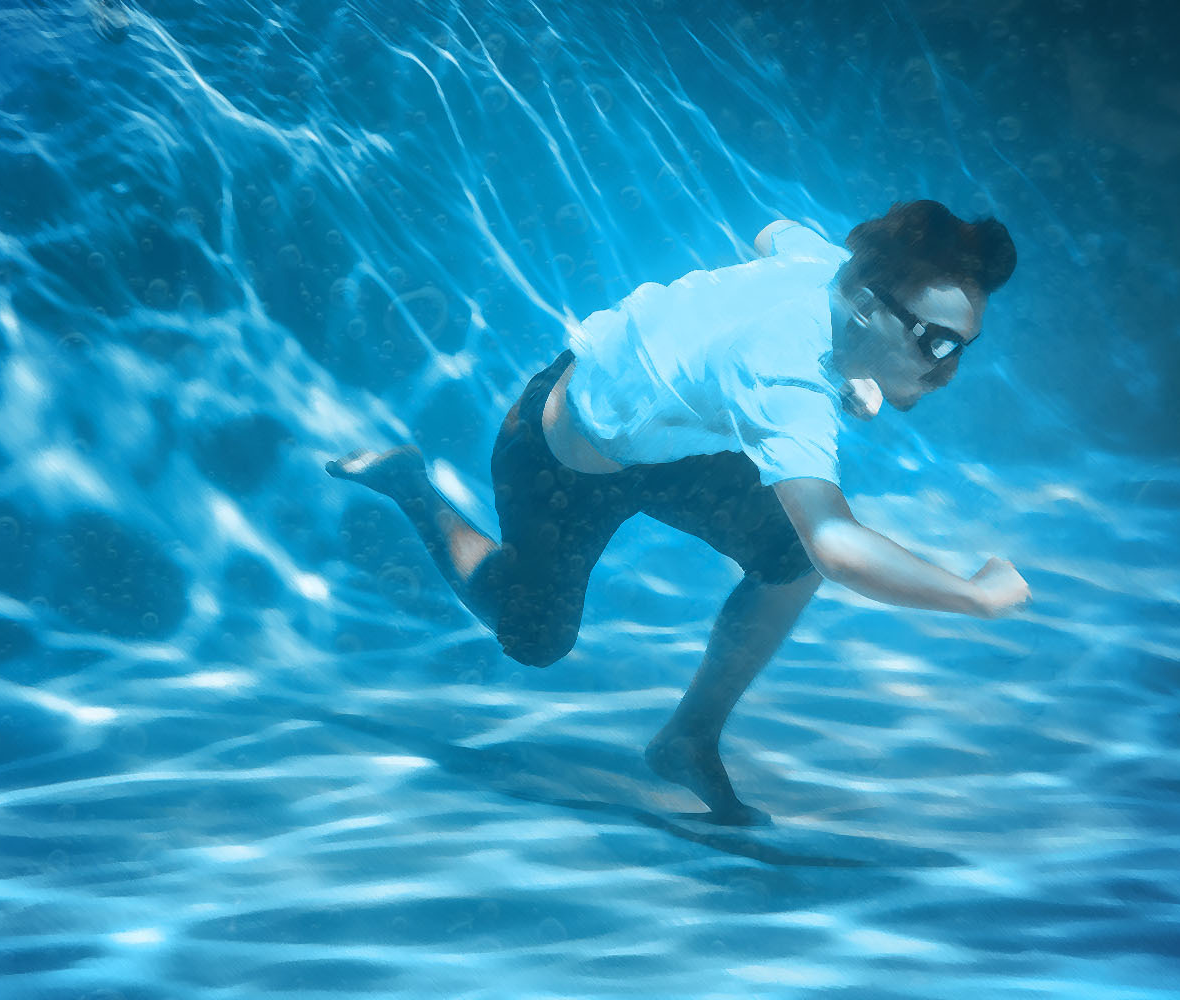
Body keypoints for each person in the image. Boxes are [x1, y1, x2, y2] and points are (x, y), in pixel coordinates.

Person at [327, 200, 1031, 826]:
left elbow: (772, 230)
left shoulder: (829, 269)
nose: (947, 371)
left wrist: (857, 361)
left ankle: (687, 739)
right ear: (869, 306)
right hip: (558, 457)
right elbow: (839, 546)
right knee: (534, 639)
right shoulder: (782, 375)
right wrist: (974, 595)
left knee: (786, 562)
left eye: (960, 346)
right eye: (936, 343)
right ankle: (413, 487)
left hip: (675, 447)